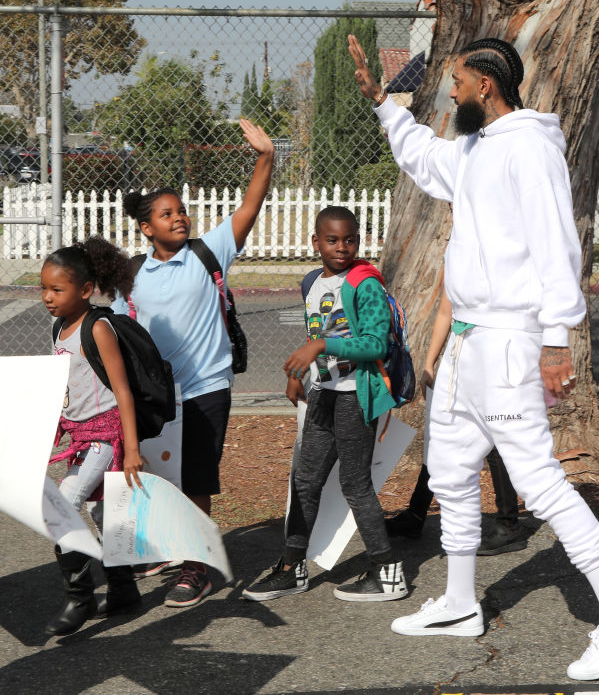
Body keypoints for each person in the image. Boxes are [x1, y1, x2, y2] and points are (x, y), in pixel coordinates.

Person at [348, 35, 599, 681]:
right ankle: (461, 603)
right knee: (453, 463)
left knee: (539, 480)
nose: (450, 91)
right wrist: (382, 102)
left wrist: (555, 340)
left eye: (457, 81)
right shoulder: (474, 146)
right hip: (468, 338)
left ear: (486, 83)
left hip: (512, 338)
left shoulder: (528, 145)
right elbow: (424, 158)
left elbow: (556, 244)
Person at [111, 119, 274, 607]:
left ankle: (196, 567)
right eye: (166, 214)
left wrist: (265, 157)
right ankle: (167, 545)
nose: (180, 218)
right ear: (146, 227)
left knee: (197, 477)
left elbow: (250, 205)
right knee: (159, 474)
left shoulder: (210, 252)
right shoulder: (131, 275)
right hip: (158, 396)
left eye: (181, 211)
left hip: (205, 387)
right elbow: (120, 336)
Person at [242, 205, 409, 603]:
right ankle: (291, 568)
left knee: (355, 484)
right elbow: (315, 330)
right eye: (332, 240)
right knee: (305, 479)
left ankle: (389, 573)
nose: (342, 247)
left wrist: (321, 345)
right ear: (316, 242)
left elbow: (375, 344)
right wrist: (296, 374)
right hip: (323, 394)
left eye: (350, 239)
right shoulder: (311, 282)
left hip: (356, 395)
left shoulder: (363, 284)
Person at [41, 235, 144, 636]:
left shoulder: (97, 328)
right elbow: (62, 387)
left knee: (64, 504)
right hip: (79, 435)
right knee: (104, 513)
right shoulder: (58, 328)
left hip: (104, 435)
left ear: (85, 290)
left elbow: (122, 391)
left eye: (57, 289)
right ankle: (124, 590)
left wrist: (132, 449)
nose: (48, 297)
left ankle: (79, 599)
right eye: (44, 289)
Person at [385, 287, 528, 556]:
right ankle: (416, 515)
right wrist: (430, 363)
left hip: (497, 361)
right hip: (459, 358)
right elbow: (445, 312)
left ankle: (509, 525)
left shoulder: (504, 253)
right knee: (441, 436)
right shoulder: (456, 254)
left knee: (495, 438)